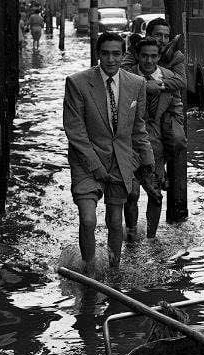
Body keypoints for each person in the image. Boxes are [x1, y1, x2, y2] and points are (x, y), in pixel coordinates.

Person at [62, 32, 157, 269]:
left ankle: (114, 271)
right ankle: (89, 269)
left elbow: (138, 128)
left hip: (120, 160)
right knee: (87, 219)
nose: (111, 59)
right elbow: (76, 132)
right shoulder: (77, 83)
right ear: (98, 54)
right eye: (106, 53)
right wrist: (96, 167)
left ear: (124, 54)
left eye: (116, 54)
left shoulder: (136, 84)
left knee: (115, 221)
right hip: (86, 160)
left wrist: (148, 161)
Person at [123, 36, 185, 238]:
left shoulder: (168, 78)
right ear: (138, 56)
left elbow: (177, 111)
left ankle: (151, 237)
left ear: (159, 57)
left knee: (155, 195)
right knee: (131, 194)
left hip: (157, 146)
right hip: (129, 145)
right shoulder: (126, 76)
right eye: (144, 56)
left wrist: (174, 139)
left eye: (153, 56)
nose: (148, 61)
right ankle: (131, 233)